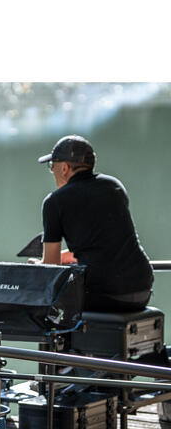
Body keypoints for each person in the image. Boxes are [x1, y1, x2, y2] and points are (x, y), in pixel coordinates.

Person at [37, 134, 153, 312]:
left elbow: (50, 267)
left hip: (105, 295)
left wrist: (38, 265)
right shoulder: (113, 186)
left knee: (50, 305)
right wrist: (65, 257)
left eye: (52, 166)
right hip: (142, 288)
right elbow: (104, 244)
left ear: (65, 168)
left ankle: (61, 340)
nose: (52, 171)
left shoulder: (55, 202)